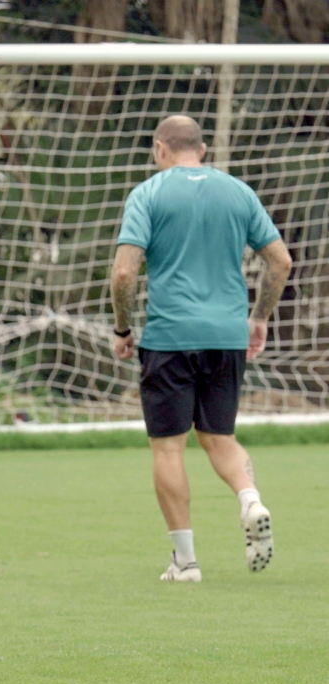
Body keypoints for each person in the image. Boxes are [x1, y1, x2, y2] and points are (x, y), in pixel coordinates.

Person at [110, 114, 293, 584]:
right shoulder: (239, 192)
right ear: (204, 150)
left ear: (159, 149)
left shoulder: (147, 194)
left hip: (170, 338)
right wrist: (259, 318)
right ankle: (250, 499)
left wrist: (123, 328)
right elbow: (280, 261)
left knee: (169, 447)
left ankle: (185, 563)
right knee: (219, 436)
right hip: (227, 337)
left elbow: (125, 274)